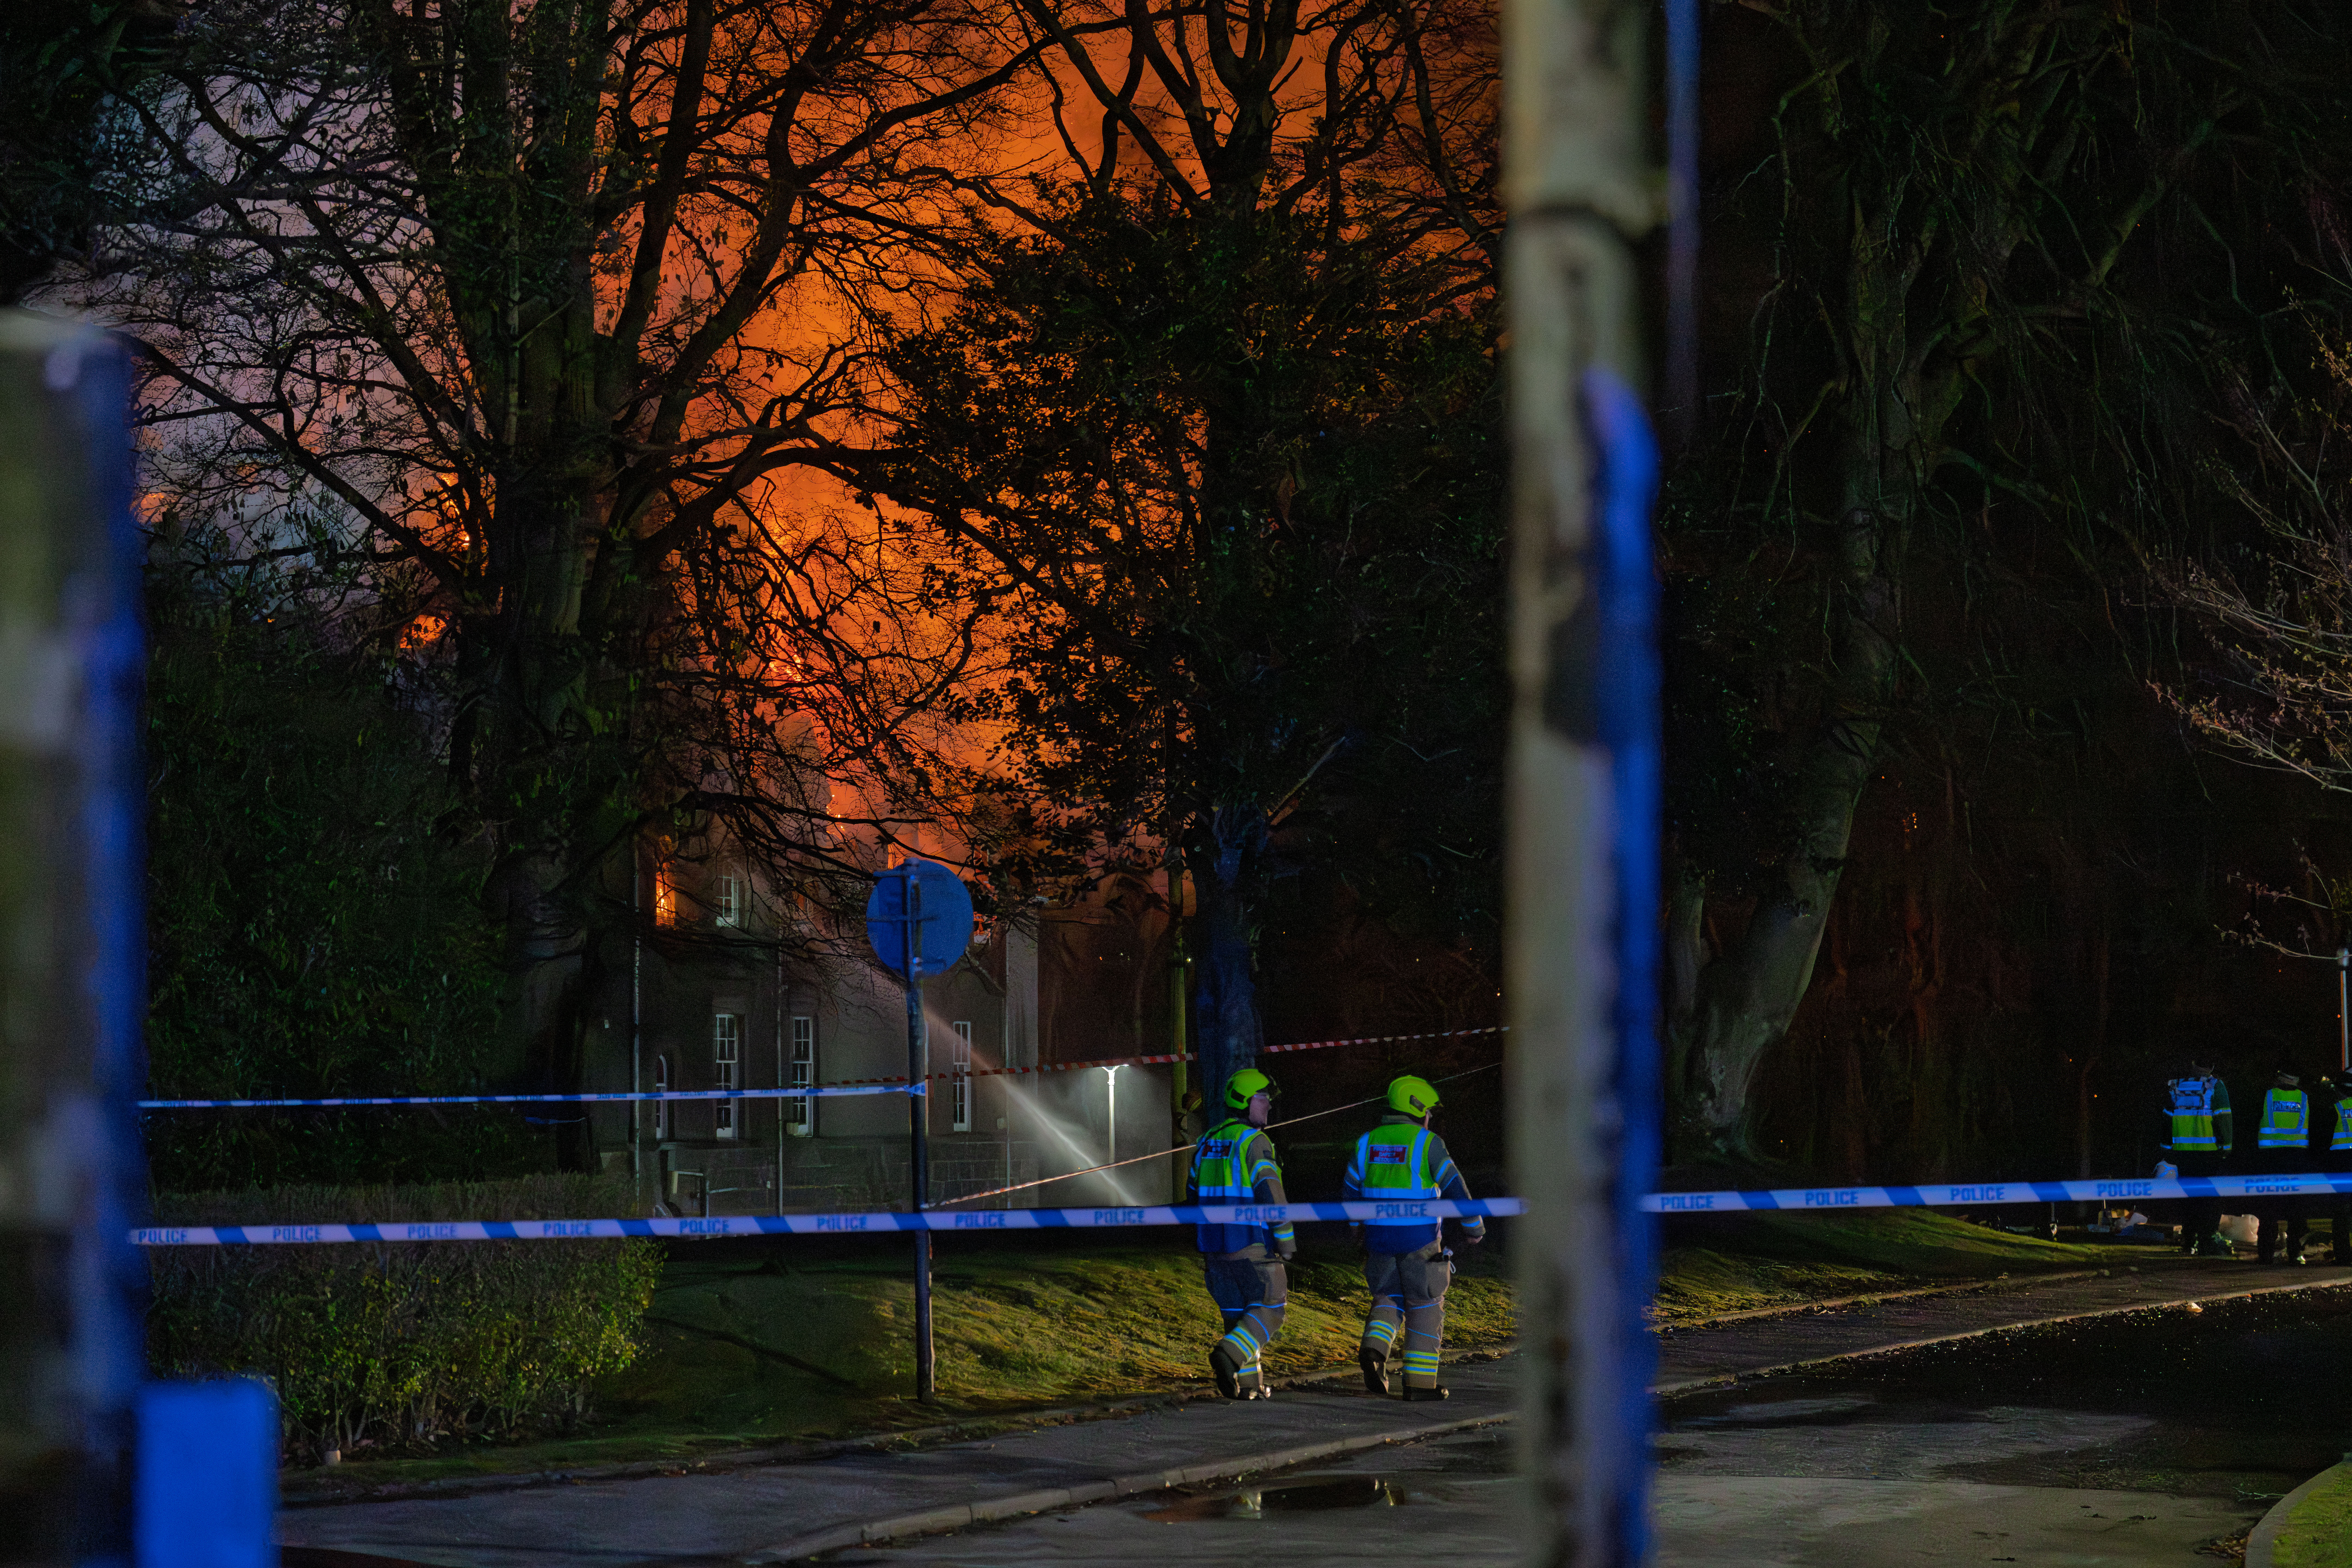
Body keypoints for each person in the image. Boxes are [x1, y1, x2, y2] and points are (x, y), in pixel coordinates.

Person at [1343, 1074, 1485, 1402]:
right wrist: (1474, 1229)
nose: (1430, 1117)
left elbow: (1349, 1192)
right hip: (1419, 1241)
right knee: (1426, 1304)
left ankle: (1375, 1349)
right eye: (1429, 1111)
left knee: (1387, 1297)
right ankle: (1419, 1385)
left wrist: (1357, 1230)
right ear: (1418, 1108)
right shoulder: (1427, 1142)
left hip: (1378, 1240)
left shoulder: (1366, 1143)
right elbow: (1456, 1188)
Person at [1187, 1066, 1294, 1399]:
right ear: (1246, 1101)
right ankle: (1228, 1355)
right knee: (1271, 1307)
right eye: (1263, 1098)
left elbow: (1192, 1190)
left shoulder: (1208, 1140)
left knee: (1238, 1317)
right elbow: (1271, 1192)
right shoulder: (1254, 1141)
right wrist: (1286, 1241)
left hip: (1214, 1249)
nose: (1269, 1105)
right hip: (1250, 1242)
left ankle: (1247, 1387)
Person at [2161, 1062, 2232, 1257]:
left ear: (2193, 1064)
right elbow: (2223, 1118)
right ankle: (2207, 1241)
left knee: (2189, 1197)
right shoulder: (2215, 1086)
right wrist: (2226, 1147)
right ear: (2212, 1067)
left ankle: (2188, 1241)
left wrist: (2167, 1147)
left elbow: (2167, 1118)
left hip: (2183, 1152)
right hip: (2209, 1153)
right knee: (2210, 1199)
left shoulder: (2176, 1086)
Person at [2252, 1067, 2313, 1264]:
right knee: (2296, 1208)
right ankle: (2295, 1254)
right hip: (2297, 1158)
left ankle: (2266, 1254)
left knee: (2269, 1206)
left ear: (2280, 1079)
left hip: (2270, 1158)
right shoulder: (2304, 1098)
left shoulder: (2267, 1095)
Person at [2317, 1074, 2352, 1264]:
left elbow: (2324, 1140)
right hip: (2342, 1164)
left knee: (2341, 1214)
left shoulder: (2336, 1108)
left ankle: (2344, 1256)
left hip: (2342, 1165)